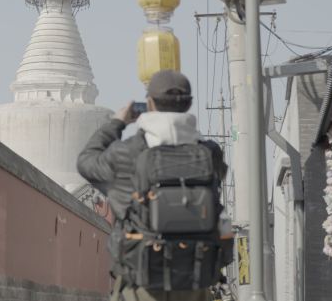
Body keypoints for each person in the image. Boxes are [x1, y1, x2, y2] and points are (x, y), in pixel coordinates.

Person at [77, 70, 229, 301]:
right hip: (196, 282)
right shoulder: (210, 153)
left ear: (149, 103)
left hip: (140, 286)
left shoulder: (127, 153)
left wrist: (117, 122)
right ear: (189, 104)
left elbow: (86, 162)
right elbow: (220, 176)